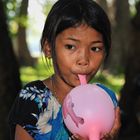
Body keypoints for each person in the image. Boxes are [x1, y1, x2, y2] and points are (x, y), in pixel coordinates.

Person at [8, 0, 121, 139]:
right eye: (70, 46)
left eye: (95, 48)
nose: (84, 60)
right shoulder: (32, 100)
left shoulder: (107, 100)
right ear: (48, 47)